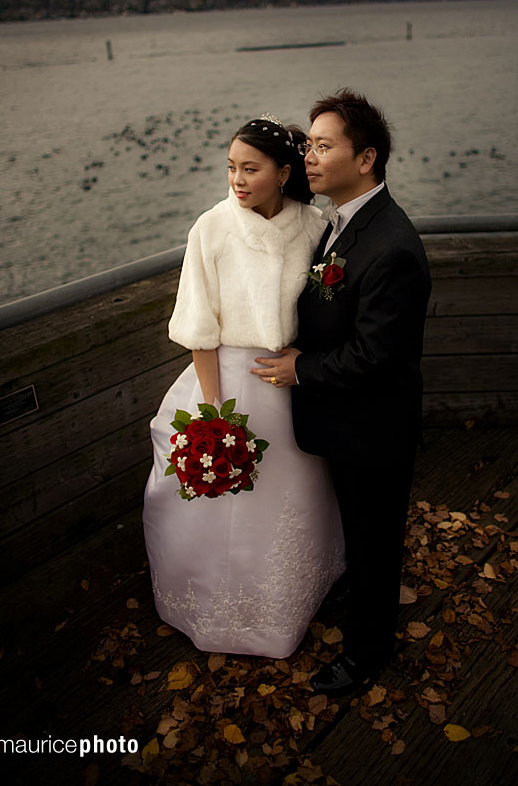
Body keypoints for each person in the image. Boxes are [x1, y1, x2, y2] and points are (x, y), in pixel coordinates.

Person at [143, 115, 345, 659]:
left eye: (250, 169)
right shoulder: (211, 228)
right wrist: (213, 412)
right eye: (231, 167)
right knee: (219, 501)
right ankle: (211, 608)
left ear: (284, 173)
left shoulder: (313, 225)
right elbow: (197, 327)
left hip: (289, 384)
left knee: (291, 498)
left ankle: (283, 605)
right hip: (225, 382)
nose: (237, 178)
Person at [251, 89, 431, 692]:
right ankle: (355, 589)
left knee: (377, 542)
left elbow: (376, 355)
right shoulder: (345, 219)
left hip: (374, 426)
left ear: (367, 159)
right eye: (308, 144)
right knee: (357, 528)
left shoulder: (393, 247)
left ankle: (366, 654)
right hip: (346, 421)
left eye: (325, 146)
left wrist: (300, 370)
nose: (309, 156)